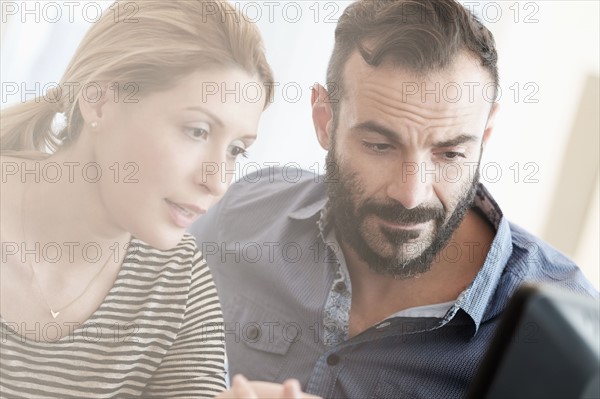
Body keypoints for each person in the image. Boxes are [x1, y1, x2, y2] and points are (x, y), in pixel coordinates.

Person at [191, 0, 599, 398]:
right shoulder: (244, 213)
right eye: (380, 146)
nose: (410, 195)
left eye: (450, 153)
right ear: (324, 120)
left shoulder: (567, 329)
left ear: (486, 135)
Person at [0, 1, 280, 397]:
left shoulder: (178, 279)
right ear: (99, 101)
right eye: (197, 131)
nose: (218, 180)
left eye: (236, 149)